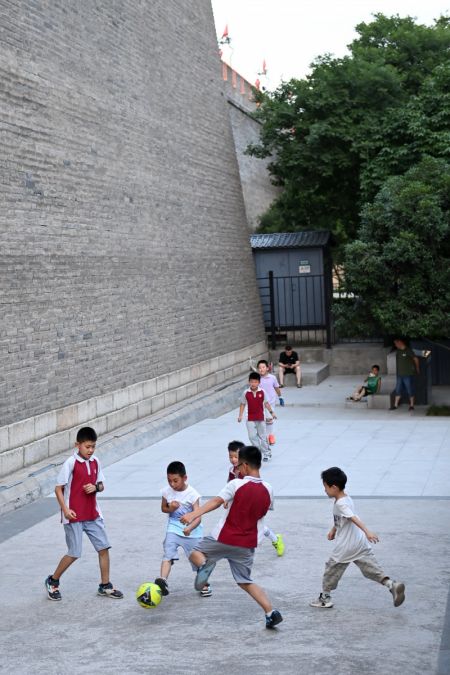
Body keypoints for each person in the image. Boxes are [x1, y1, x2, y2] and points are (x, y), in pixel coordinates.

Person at [181, 445, 283, 629]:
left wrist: (193, 515)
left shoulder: (236, 484)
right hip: (247, 544)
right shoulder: (269, 489)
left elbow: (216, 502)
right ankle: (270, 612)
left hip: (223, 537)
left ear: (244, 466)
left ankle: (205, 565)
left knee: (194, 552)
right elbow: (262, 513)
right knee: (245, 581)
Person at [45, 426, 123, 601]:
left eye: (93, 446)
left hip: (93, 514)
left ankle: (105, 585)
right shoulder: (70, 463)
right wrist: (65, 510)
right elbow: (58, 489)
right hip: (74, 516)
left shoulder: (96, 461)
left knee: (103, 548)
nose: (90, 450)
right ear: (77, 445)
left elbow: (101, 485)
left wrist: (95, 487)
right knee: (74, 552)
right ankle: (53, 580)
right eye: (87, 446)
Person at [310, 466, 405, 609]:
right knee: (370, 569)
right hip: (359, 543)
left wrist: (368, 531)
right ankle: (391, 585)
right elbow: (344, 518)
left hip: (346, 547)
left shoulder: (341, 503)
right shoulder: (346, 498)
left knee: (331, 570)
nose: (324, 490)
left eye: (325, 487)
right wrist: (334, 529)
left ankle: (325, 598)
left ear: (334, 487)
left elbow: (353, 517)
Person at [154, 461, 211, 597]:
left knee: (196, 559)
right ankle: (162, 581)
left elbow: (198, 517)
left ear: (185, 478)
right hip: (173, 527)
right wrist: (171, 508)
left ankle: (204, 584)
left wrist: (190, 528)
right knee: (168, 552)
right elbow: (163, 508)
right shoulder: (166, 491)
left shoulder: (192, 494)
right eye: (169, 481)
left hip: (191, 531)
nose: (172, 484)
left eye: (175, 481)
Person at [227, 440, 285, 556]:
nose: (233, 459)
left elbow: (256, 486)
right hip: (238, 501)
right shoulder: (232, 470)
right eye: (231, 456)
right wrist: (226, 499)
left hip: (249, 502)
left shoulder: (248, 471)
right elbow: (229, 484)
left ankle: (276, 539)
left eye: (236, 457)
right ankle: (236, 546)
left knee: (256, 525)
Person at [238, 372, 276, 462]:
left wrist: (272, 413)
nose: (253, 384)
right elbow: (242, 404)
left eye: (255, 382)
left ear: (259, 382)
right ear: (249, 382)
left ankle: (267, 453)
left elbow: (266, 403)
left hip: (260, 418)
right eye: (251, 382)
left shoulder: (262, 392)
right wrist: (240, 415)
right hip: (250, 418)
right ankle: (257, 452)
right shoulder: (246, 392)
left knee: (262, 436)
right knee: (252, 437)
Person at [257, 359, 284, 445]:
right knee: (261, 420)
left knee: (269, 419)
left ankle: (271, 436)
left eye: (263, 367)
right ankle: (263, 436)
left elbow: (276, 388)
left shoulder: (272, 378)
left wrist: (280, 397)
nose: (261, 369)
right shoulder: (256, 379)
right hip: (259, 403)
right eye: (259, 368)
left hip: (271, 401)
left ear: (267, 368)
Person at [390, 338, 420, 411]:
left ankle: (411, 405)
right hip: (399, 375)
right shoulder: (398, 351)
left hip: (408, 374)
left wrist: (417, 368)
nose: (395, 345)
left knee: (410, 389)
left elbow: (416, 359)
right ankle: (395, 405)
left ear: (400, 342)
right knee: (398, 389)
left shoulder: (408, 350)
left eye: (396, 343)